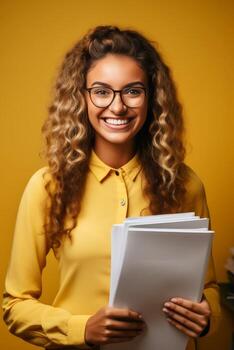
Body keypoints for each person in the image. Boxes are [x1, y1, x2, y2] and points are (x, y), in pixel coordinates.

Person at [2, 25, 220, 350]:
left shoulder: (185, 184)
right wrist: (82, 328)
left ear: (152, 97)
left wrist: (207, 316)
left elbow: (208, 288)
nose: (117, 107)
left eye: (132, 91)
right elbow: (14, 305)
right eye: (102, 91)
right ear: (82, 97)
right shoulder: (48, 186)